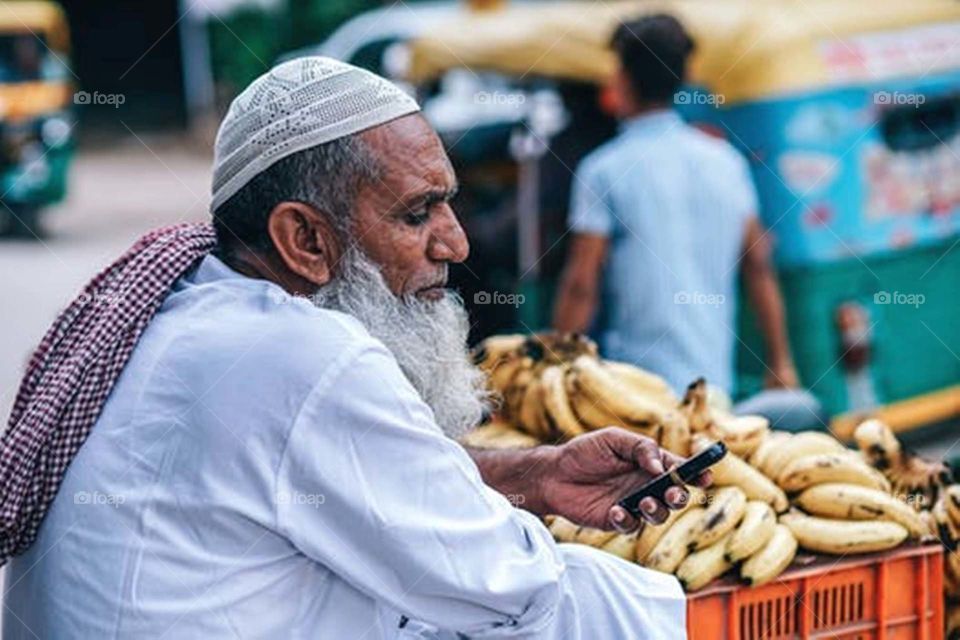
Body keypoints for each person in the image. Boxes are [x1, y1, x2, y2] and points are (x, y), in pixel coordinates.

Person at [1, 57, 706, 639]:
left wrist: (535, 475)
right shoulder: (302, 353)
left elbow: (330, 481)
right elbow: (514, 585)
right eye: (417, 212)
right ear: (304, 240)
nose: (455, 243)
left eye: (449, 203)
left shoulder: (194, 310)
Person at [552, 14, 823, 428]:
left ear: (622, 79)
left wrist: (554, 374)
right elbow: (758, 264)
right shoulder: (725, 161)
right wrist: (781, 363)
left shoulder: (603, 170)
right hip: (715, 388)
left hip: (635, 394)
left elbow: (580, 284)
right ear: (682, 78)